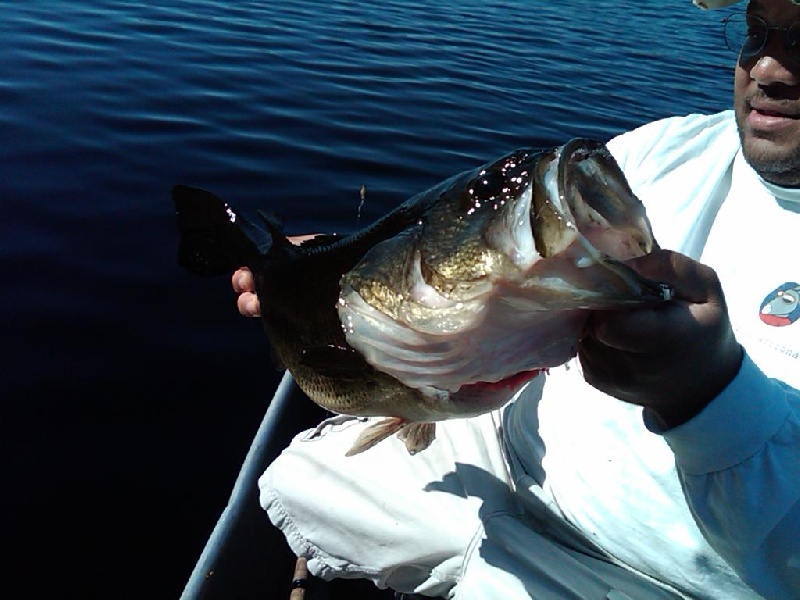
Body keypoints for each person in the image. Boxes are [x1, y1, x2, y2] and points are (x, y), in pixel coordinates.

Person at [233, 0, 800, 597]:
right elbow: (474, 250)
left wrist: (706, 396)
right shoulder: (672, 147)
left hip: (636, 577)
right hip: (502, 451)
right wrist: (334, 267)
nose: (767, 70)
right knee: (304, 481)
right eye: (757, 31)